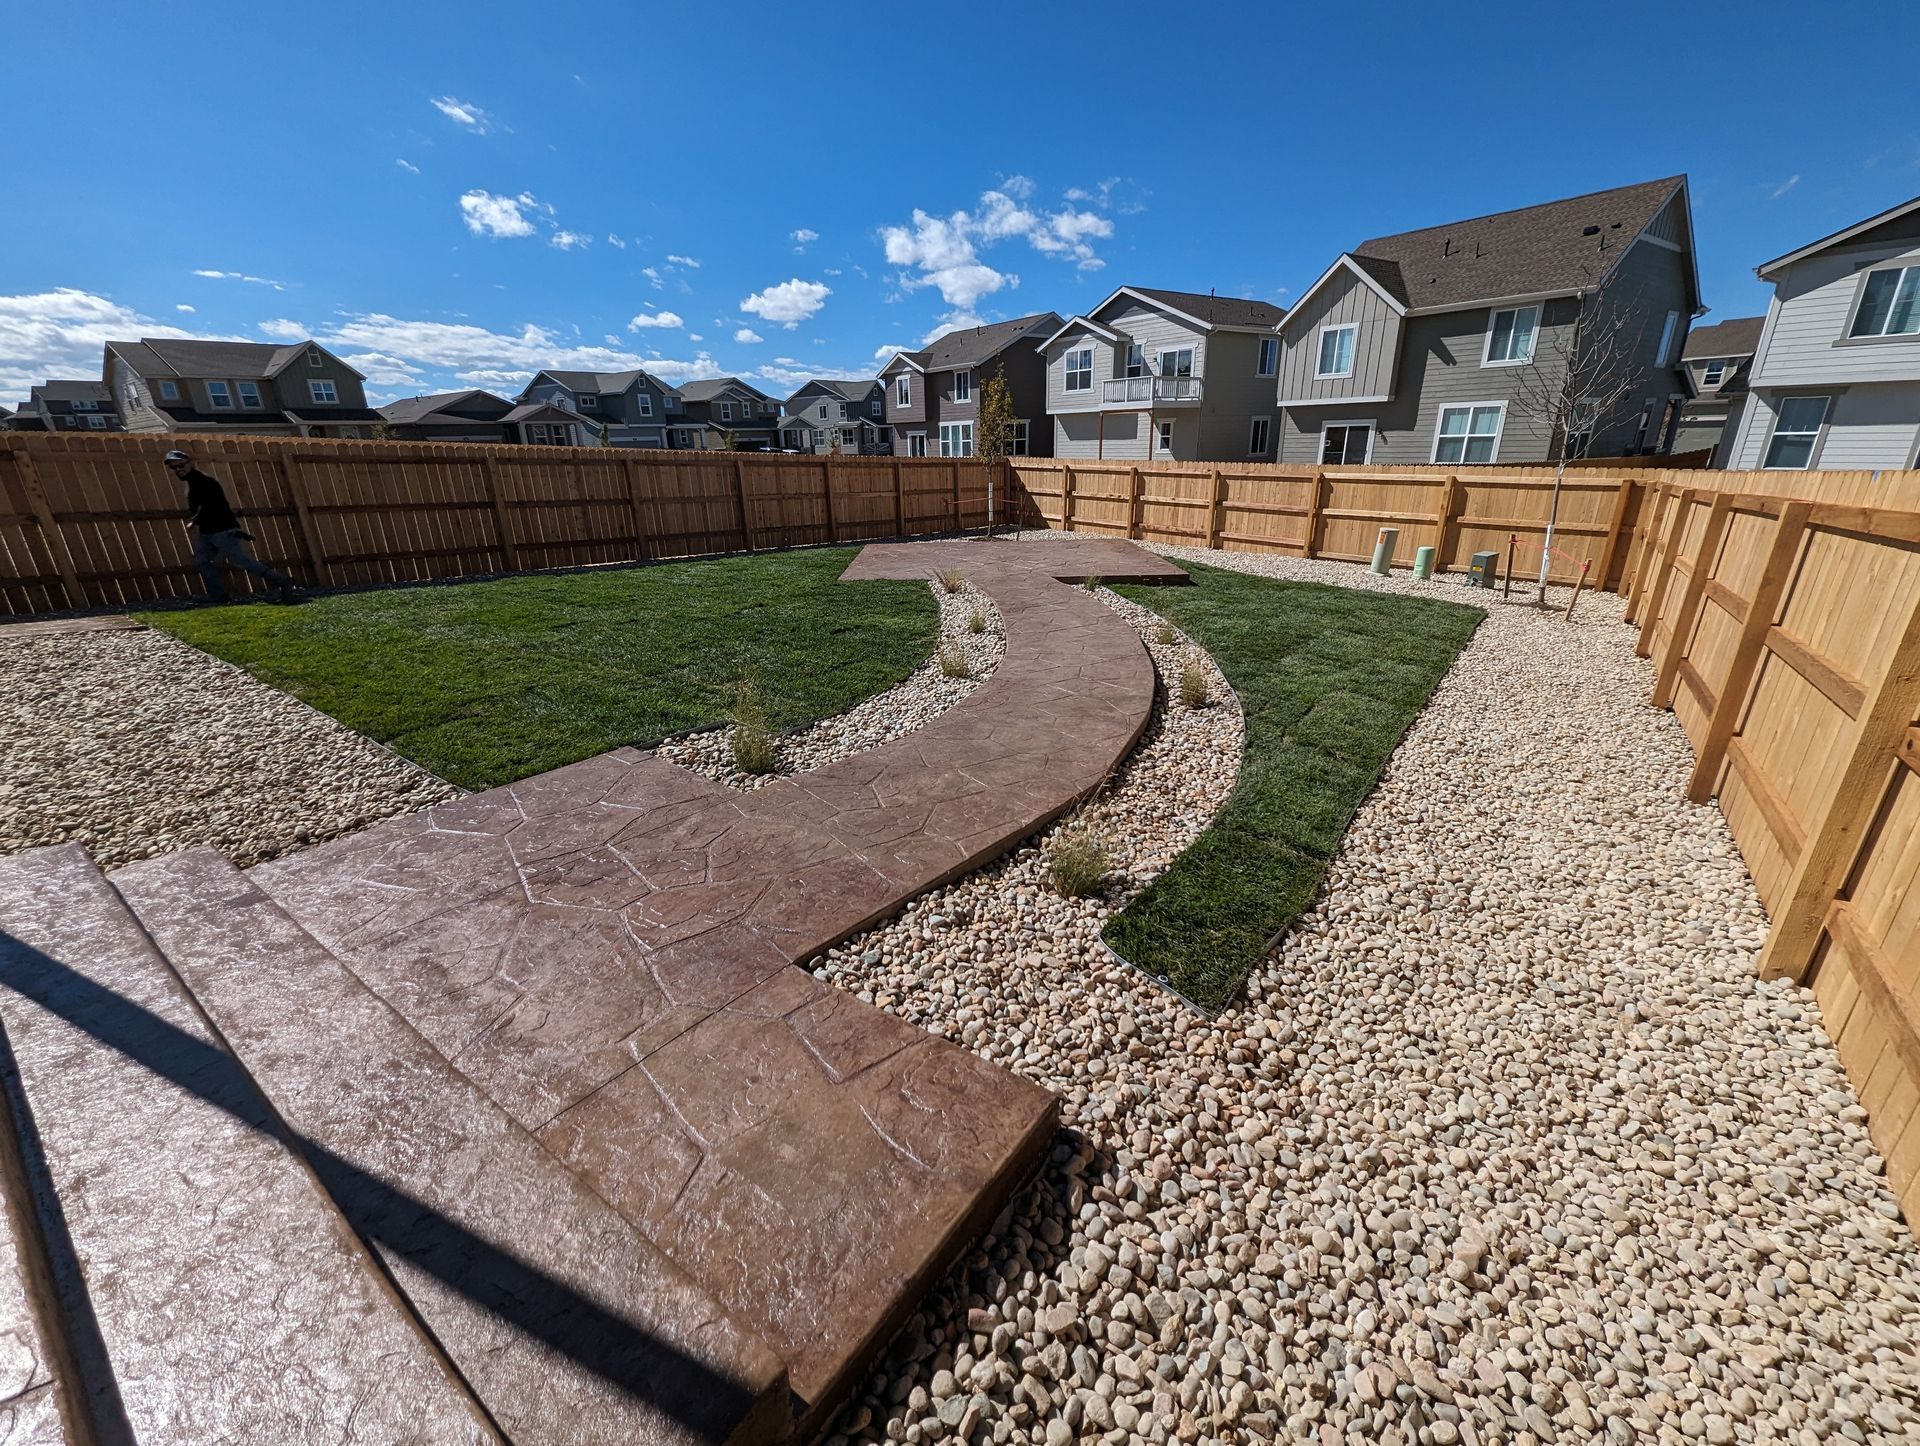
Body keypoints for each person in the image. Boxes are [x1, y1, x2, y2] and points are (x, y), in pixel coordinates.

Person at [164, 449, 299, 602]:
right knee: (203, 561)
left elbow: (212, 506)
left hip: (221, 530)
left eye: (181, 465)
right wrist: (197, 522)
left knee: (240, 560)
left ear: (190, 463)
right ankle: (219, 596)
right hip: (207, 531)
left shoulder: (203, 482)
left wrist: (195, 520)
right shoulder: (192, 482)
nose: (178, 470)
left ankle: (283, 581)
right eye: (174, 467)